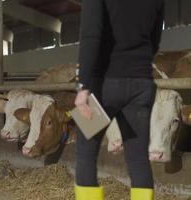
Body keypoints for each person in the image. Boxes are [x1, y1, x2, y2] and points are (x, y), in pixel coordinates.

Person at [74, 0, 164, 199]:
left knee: (86, 154)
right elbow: (155, 40)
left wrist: (82, 86)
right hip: (141, 83)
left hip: (102, 84)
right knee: (138, 159)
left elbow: (91, 36)